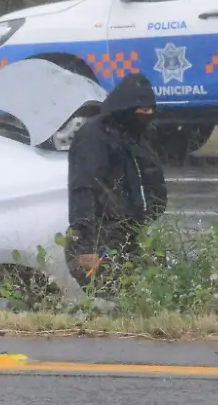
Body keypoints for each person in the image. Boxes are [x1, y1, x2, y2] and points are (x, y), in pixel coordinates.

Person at [64, 72, 167, 292]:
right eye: (142, 112)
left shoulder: (137, 134)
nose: (147, 116)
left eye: (150, 111)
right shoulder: (94, 137)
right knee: (111, 295)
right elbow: (83, 189)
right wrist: (87, 245)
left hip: (133, 231)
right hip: (102, 237)